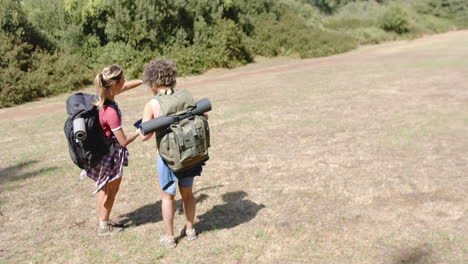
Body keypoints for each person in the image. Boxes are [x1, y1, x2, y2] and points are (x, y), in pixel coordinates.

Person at [139, 58, 203, 248]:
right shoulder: (186, 96)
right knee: (188, 194)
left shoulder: (152, 104)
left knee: (167, 196)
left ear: (153, 82)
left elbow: (145, 136)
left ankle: (169, 237)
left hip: (167, 157)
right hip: (190, 153)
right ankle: (190, 230)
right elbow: (203, 115)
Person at [80, 64, 142, 237]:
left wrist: (144, 80)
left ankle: (103, 221)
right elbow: (123, 141)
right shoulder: (110, 112)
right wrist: (140, 130)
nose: (125, 81)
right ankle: (104, 228)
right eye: (123, 79)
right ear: (115, 84)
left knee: (103, 188)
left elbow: (126, 86)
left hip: (99, 153)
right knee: (111, 190)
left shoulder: (104, 96)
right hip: (110, 155)